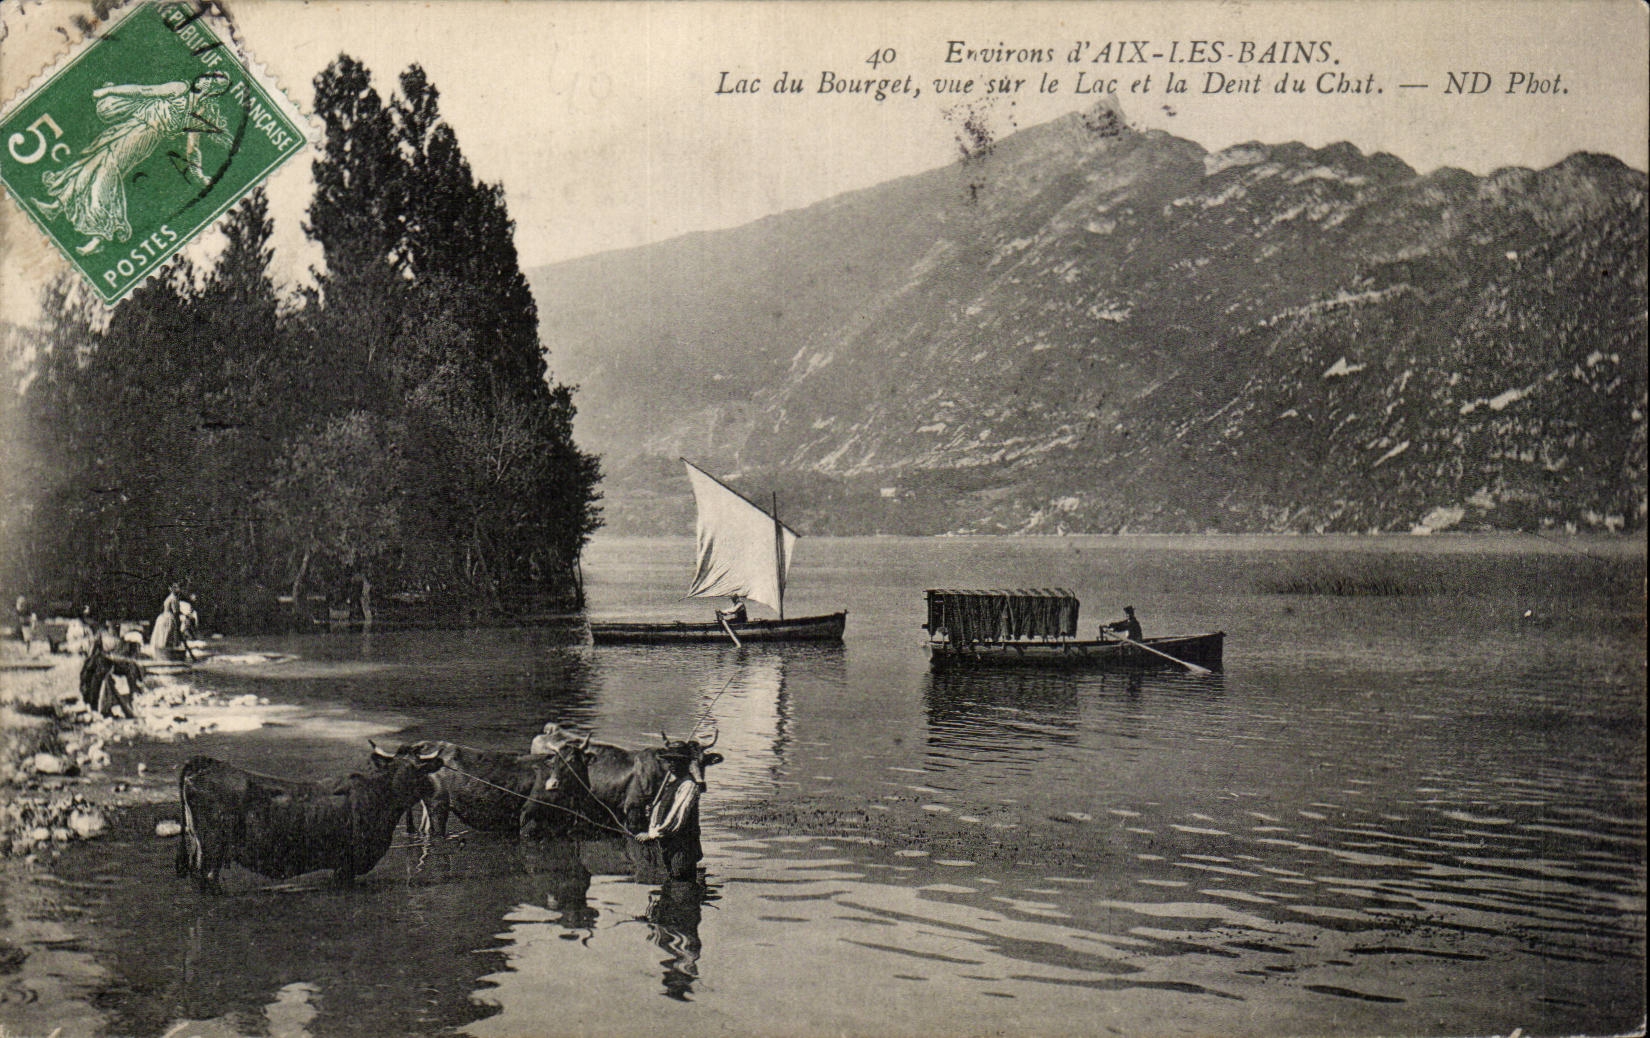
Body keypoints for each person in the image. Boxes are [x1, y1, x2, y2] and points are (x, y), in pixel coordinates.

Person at [35, 72, 233, 255]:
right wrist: (109, 91)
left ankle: (99, 235)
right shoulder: (181, 88)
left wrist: (198, 174)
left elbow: (193, 148)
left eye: (210, 78)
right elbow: (144, 91)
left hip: (143, 136)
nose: (204, 77)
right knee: (92, 161)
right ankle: (57, 206)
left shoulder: (196, 109)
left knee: (105, 173)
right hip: (132, 127)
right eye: (207, 74)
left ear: (212, 88)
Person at [637, 749, 706, 881]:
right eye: (670, 761)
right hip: (669, 846)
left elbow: (676, 817)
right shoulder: (672, 785)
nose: (672, 764)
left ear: (686, 764)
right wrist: (652, 814)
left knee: (681, 886)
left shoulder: (688, 785)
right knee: (673, 884)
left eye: (677, 761)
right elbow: (662, 810)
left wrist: (652, 834)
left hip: (683, 848)